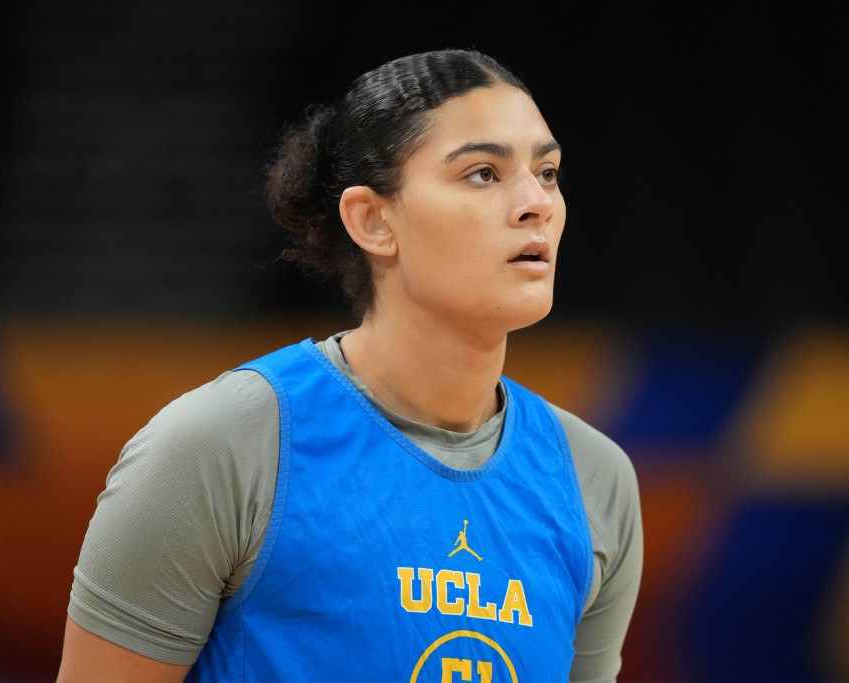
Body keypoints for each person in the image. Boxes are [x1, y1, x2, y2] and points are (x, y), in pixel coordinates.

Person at [56, 49, 642, 682]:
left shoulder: (596, 482)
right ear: (372, 219)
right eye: (482, 173)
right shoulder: (219, 448)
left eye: (548, 172)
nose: (537, 203)